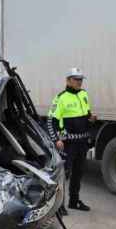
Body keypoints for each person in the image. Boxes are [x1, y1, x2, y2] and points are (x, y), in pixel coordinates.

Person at [46, 67, 96, 211]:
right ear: (68, 80)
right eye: (76, 79)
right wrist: (56, 139)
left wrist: (90, 119)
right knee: (63, 175)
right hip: (67, 143)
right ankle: (58, 206)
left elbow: (86, 114)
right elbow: (51, 121)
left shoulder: (84, 94)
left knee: (78, 173)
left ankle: (74, 202)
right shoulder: (60, 97)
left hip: (82, 142)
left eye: (81, 79)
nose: (79, 82)